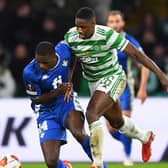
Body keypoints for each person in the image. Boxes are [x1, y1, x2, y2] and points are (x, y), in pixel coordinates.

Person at [64, 7, 168, 168]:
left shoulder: (107, 35)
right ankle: (145, 137)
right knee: (117, 123)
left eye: (83, 26)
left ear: (93, 24)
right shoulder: (71, 36)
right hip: (93, 82)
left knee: (92, 113)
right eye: (77, 25)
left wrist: (161, 75)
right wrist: (68, 81)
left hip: (113, 77)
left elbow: (137, 55)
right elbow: (72, 58)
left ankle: (97, 163)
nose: (79, 30)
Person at [22, 41, 107, 168]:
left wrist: (69, 79)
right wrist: (58, 91)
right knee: (51, 162)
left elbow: (75, 55)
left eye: (45, 62)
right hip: (46, 111)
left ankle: (101, 165)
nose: (41, 65)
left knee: (78, 132)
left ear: (54, 56)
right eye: (38, 61)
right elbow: (37, 99)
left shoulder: (63, 50)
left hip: (66, 102)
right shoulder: (29, 72)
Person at [105, 10, 149, 166]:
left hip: (125, 88)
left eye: (117, 21)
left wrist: (142, 88)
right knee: (111, 129)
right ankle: (135, 138)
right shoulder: (104, 40)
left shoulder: (130, 42)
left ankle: (128, 156)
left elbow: (144, 65)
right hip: (108, 88)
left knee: (123, 122)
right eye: (111, 21)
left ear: (123, 23)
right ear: (107, 24)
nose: (114, 24)